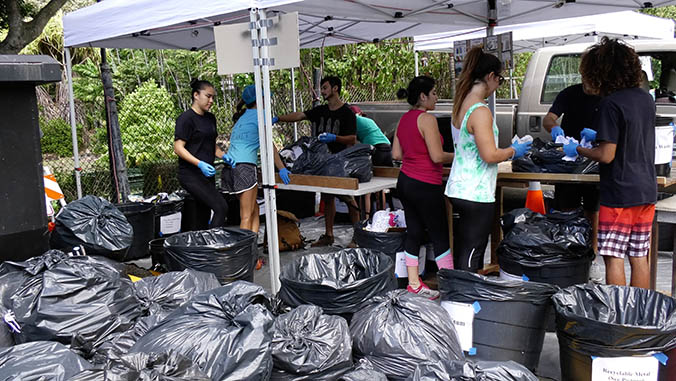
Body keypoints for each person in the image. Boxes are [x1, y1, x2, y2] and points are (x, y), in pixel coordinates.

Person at [563, 37, 656, 288]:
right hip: (646, 189)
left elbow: (606, 155)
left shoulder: (610, 104)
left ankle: (620, 315)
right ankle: (641, 313)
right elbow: (630, 136)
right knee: (639, 255)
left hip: (619, 192)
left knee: (613, 256)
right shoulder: (646, 99)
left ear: (600, 72)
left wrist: (580, 148)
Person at [445, 47, 531, 273]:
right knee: (474, 250)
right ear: (491, 76)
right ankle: (465, 300)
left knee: (464, 247)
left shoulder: (462, 104)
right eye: (500, 79)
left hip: (460, 187)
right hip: (476, 191)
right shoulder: (480, 111)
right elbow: (490, 155)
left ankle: (458, 297)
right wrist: (513, 150)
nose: (498, 85)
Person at [276, 76, 359, 247]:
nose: (322, 91)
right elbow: (301, 115)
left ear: (335, 88)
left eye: (325, 87)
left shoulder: (347, 113)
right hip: (321, 162)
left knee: (349, 199)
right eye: (322, 87)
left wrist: (335, 138)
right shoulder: (320, 110)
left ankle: (357, 236)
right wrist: (278, 118)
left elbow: (352, 139)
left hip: (340, 161)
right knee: (327, 198)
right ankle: (329, 235)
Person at [392, 75, 454, 300]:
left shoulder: (403, 120)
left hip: (405, 182)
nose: (437, 97)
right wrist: (460, 156)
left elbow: (396, 154)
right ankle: (449, 287)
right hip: (426, 183)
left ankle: (414, 284)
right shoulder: (427, 119)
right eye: (434, 93)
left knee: (414, 232)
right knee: (439, 235)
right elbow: (437, 156)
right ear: (423, 96)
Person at [543, 81, 602, 266]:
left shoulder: (608, 96)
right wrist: (554, 128)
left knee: (593, 210)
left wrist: (599, 135)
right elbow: (548, 118)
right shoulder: (569, 93)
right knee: (566, 208)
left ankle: (590, 258)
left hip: (596, 158)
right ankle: (567, 255)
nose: (589, 84)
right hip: (568, 158)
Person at [221, 84, 292, 233]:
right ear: (259, 99)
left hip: (230, 168)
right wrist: (282, 168)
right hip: (244, 166)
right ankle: (244, 255)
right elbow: (269, 145)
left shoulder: (242, 117)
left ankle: (252, 249)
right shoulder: (262, 113)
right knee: (246, 216)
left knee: (255, 207)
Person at [173, 79, 229, 229]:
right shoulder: (186, 119)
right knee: (220, 207)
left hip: (207, 174)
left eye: (213, 97)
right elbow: (178, 148)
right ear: (196, 95)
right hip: (191, 175)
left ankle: (200, 247)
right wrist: (199, 163)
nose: (211, 101)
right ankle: (213, 247)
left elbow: (211, 144)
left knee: (202, 214)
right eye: (208, 96)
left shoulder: (210, 118)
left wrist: (224, 156)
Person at [349, 105, 392, 218]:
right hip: (387, 148)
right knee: (380, 186)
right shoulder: (368, 121)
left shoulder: (353, 120)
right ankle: (381, 217)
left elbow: (351, 142)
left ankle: (366, 218)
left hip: (376, 149)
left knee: (367, 185)